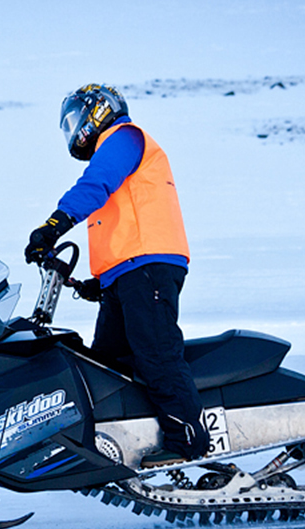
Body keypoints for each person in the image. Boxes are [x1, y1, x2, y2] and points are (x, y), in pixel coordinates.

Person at [24, 83, 210, 468]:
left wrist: (53, 226)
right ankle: (119, 442)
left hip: (148, 267)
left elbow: (96, 187)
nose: (74, 131)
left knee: (157, 356)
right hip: (128, 273)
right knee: (106, 366)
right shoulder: (116, 146)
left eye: (76, 120)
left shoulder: (124, 137)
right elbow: (121, 220)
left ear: (97, 112)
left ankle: (189, 442)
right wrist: (103, 281)